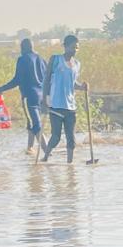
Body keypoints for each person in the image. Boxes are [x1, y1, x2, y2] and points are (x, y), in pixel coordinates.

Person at [0, 38, 47, 154]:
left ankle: (47, 151)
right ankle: (30, 149)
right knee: (31, 122)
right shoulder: (41, 59)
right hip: (41, 96)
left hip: (29, 96)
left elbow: (16, 80)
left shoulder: (23, 59)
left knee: (36, 125)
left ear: (24, 48)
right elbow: (48, 79)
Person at [41, 35, 88, 163]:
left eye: (77, 48)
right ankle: (46, 156)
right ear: (65, 46)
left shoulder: (77, 64)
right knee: (56, 137)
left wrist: (82, 87)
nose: (74, 50)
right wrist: (45, 99)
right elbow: (46, 80)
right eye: (72, 47)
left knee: (71, 139)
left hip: (70, 106)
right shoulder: (55, 59)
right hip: (56, 105)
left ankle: (70, 165)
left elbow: (73, 83)